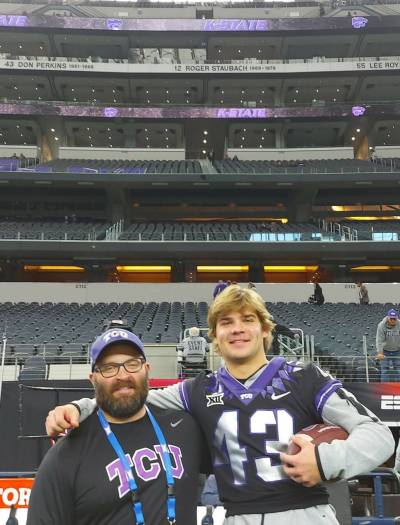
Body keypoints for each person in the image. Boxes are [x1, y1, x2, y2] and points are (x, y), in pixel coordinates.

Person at [46, 286, 394, 525]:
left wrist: (327, 460)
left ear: (264, 329)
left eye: (247, 320)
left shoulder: (304, 377)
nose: (237, 329)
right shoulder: (198, 389)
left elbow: (379, 434)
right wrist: (80, 407)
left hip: (305, 513)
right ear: (214, 334)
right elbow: (130, 393)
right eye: (226, 322)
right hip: (237, 515)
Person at [28, 324, 210, 525]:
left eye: (132, 364)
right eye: (109, 368)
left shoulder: (186, 428)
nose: (122, 376)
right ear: (93, 379)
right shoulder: (65, 455)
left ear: (146, 370)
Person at [375, 308, 400, 382]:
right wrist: (380, 352)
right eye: (391, 318)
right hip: (385, 351)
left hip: (397, 350)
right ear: (388, 318)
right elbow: (379, 340)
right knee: (384, 370)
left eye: (394, 319)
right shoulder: (381, 325)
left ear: (397, 318)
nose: (393, 320)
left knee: (398, 369)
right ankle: (384, 387)